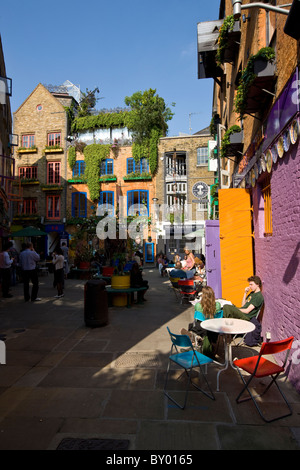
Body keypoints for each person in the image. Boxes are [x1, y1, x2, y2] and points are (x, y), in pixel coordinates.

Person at [181, 286, 221, 358]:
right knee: (193, 326)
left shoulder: (198, 305)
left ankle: (193, 341)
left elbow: (196, 318)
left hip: (202, 328)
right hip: (214, 329)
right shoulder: (218, 305)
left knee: (191, 325)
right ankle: (195, 340)